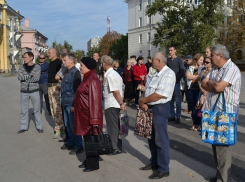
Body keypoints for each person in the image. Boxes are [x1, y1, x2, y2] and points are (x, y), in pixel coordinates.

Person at [201, 44, 241, 182]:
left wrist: (213, 85)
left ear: (220, 56)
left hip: (226, 114)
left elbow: (217, 87)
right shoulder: (217, 69)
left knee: (222, 148)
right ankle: (219, 176)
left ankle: (224, 179)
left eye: (211, 55)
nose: (209, 58)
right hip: (214, 112)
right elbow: (204, 83)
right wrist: (214, 85)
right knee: (215, 145)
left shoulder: (231, 69)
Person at [138, 52, 175, 179]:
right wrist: (144, 101)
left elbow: (159, 94)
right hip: (150, 106)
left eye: (153, 60)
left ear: (159, 61)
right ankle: (154, 162)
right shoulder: (155, 73)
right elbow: (148, 89)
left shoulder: (168, 74)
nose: (151, 61)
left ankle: (163, 168)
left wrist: (144, 100)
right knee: (151, 137)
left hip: (160, 108)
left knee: (160, 139)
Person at [74, 57, 103, 172]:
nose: (80, 67)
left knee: (91, 140)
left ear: (87, 66)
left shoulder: (93, 79)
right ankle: (88, 160)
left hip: (89, 117)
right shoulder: (87, 77)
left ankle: (93, 164)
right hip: (84, 115)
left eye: (81, 65)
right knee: (87, 139)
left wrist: (95, 120)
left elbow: (95, 101)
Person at [102, 55, 126, 155]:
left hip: (112, 103)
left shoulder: (110, 75)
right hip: (115, 103)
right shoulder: (116, 74)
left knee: (112, 127)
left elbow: (115, 91)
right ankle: (118, 146)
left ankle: (114, 147)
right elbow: (121, 89)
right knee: (117, 126)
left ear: (104, 63)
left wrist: (121, 103)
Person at [60, 53, 83, 155]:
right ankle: (71, 142)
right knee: (67, 125)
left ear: (71, 61)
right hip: (65, 101)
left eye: (65, 60)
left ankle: (78, 145)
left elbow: (77, 90)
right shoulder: (67, 72)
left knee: (74, 125)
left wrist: (74, 104)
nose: (63, 62)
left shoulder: (76, 73)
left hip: (71, 103)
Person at [17, 52, 43, 134]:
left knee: (37, 110)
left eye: (26, 57)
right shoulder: (21, 67)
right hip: (24, 91)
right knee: (24, 110)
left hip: (34, 91)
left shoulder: (37, 67)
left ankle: (39, 127)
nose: (24, 59)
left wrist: (24, 77)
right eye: (24, 57)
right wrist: (31, 76)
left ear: (31, 57)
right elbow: (19, 77)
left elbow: (37, 78)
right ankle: (23, 127)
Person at [48, 48, 63, 139]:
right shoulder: (50, 63)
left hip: (56, 87)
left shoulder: (59, 63)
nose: (48, 54)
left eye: (49, 53)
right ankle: (58, 125)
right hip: (50, 87)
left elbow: (61, 75)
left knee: (57, 108)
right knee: (52, 108)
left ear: (54, 53)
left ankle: (59, 128)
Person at [186, 53, 204, 131]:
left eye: (202, 60)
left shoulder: (203, 68)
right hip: (191, 89)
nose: (202, 61)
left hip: (199, 90)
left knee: (198, 107)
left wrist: (194, 77)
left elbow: (202, 77)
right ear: (196, 59)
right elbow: (188, 77)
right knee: (193, 108)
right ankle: (194, 124)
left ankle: (199, 124)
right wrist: (198, 76)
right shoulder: (190, 67)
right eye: (200, 60)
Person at [167, 46, 185, 123]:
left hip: (176, 82)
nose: (170, 52)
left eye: (171, 50)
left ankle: (178, 116)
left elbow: (182, 70)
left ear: (175, 51)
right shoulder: (168, 60)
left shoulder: (179, 59)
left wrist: (176, 79)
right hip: (169, 82)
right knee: (170, 100)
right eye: (169, 50)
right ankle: (172, 115)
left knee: (177, 100)